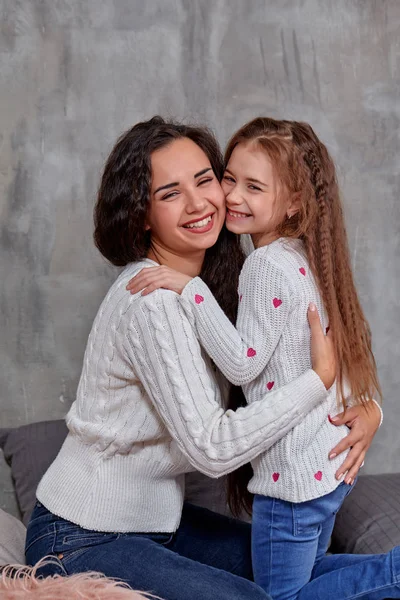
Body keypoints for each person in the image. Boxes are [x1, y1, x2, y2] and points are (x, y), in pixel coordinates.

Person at [25, 117, 379, 600]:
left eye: (206, 179)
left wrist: (368, 408)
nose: (200, 203)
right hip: (82, 536)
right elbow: (213, 448)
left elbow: (294, 351)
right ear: (142, 214)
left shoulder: (216, 286)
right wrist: (318, 382)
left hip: (157, 524)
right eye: (170, 193)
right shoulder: (151, 302)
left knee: (294, 571)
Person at [126, 117, 400, 600]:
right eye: (229, 179)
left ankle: (393, 573)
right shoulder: (300, 255)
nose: (233, 197)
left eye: (254, 187)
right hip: (324, 471)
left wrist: (192, 291)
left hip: (293, 482)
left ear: (294, 202)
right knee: (312, 580)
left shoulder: (263, 266)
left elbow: (242, 365)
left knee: (282, 597)